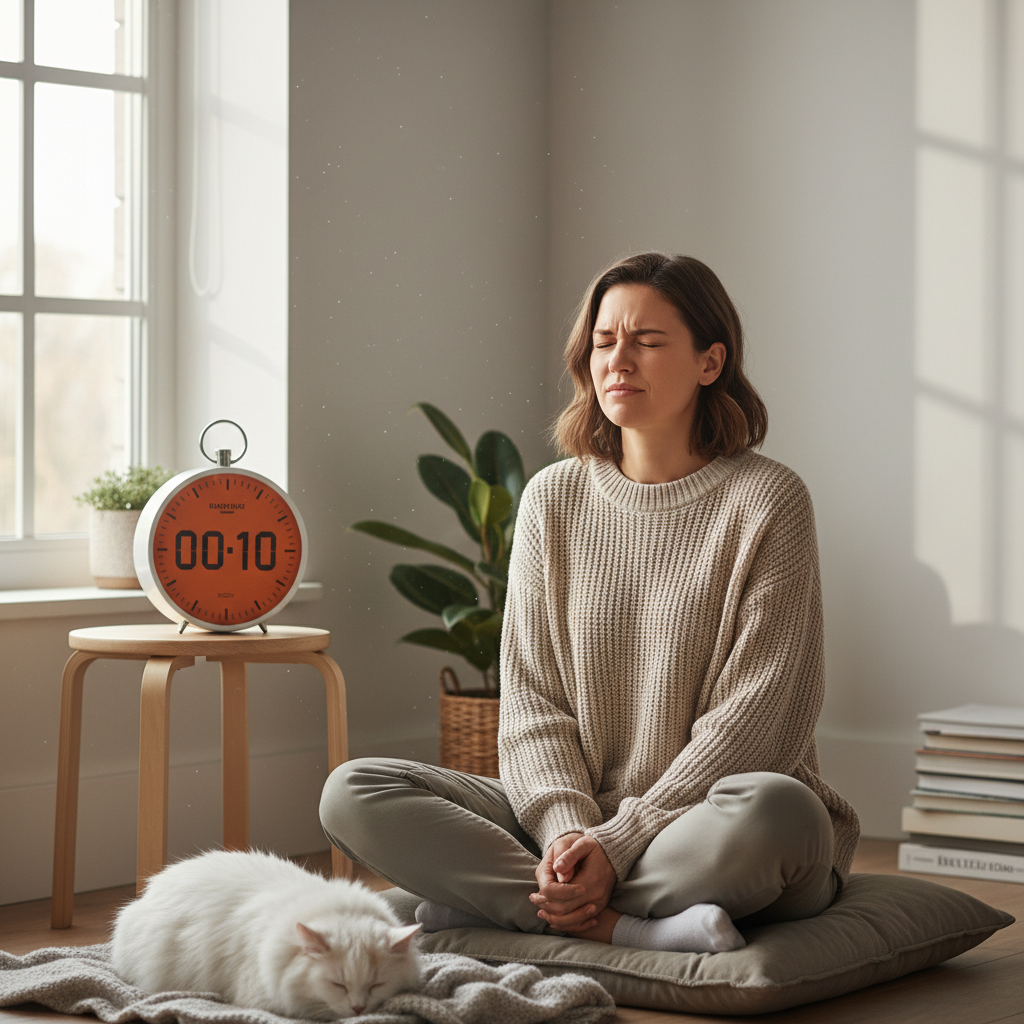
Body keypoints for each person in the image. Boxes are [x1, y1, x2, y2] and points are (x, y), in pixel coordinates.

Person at [320, 252, 860, 954]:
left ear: (710, 361)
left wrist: (624, 838)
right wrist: (571, 833)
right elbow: (532, 704)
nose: (618, 360)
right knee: (355, 791)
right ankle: (629, 927)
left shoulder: (768, 500)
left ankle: (503, 904)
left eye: (647, 341)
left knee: (781, 812)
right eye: (604, 342)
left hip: (705, 827)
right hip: (572, 826)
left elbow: (759, 720)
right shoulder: (553, 498)